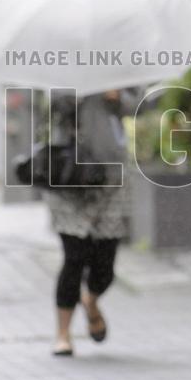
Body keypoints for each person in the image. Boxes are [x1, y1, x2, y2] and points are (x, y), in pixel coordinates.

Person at [45, 88, 133, 357]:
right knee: (74, 257)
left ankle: (91, 301)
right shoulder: (60, 66)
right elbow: (52, 103)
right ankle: (63, 334)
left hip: (111, 181)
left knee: (105, 263)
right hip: (71, 178)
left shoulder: (118, 63)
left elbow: (136, 103)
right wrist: (78, 92)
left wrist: (117, 97)